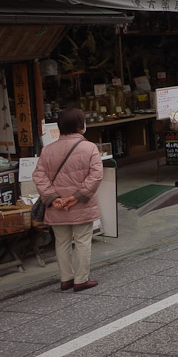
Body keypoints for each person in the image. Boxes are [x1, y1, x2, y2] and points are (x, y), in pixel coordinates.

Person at [32, 108, 103, 292]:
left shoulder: (47, 150)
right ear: (81, 126)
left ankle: (66, 279)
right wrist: (76, 197)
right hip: (82, 205)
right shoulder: (90, 148)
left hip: (57, 206)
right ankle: (81, 279)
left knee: (61, 242)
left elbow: (39, 176)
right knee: (82, 241)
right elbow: (96, 176)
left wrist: (53, 198)